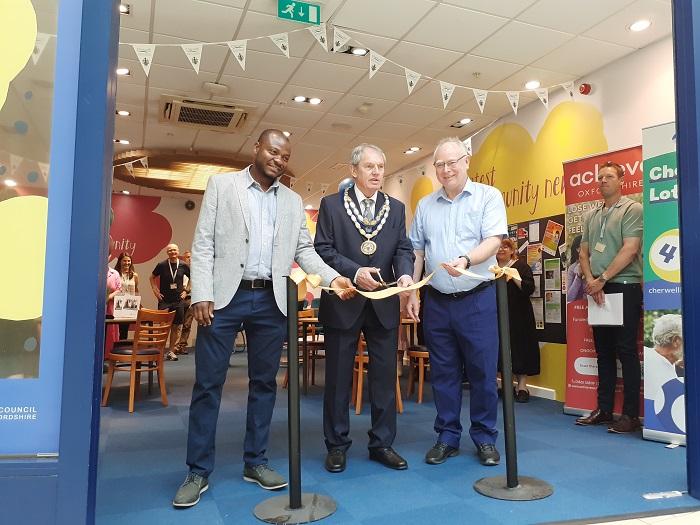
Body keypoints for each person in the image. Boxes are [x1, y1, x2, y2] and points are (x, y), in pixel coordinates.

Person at [172, 129, 354, 508]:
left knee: (264, 384)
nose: (279, 159)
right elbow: (203, 241)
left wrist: (335, 277)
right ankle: (197, 470)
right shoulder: (222, 186)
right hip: (224, 298)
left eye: (285, 156)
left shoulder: (290, 201)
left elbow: (304, 250)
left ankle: (255, 462)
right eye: (273, 151)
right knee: (208, 384)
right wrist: (201, 292)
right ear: (257, 148)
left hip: (271, 301)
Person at [406, 137, 507, 468]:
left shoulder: (488, 197)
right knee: (444, 373)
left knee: (481, 371)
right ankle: (447, 436)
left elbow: (494, 240)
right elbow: (417, 250)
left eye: (453, 162)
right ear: (435, 168)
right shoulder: (425, 206)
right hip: (437, 301)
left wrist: (465, 259)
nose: (447, 169)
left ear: (467, 161)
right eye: (440, 165)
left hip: (477, 299)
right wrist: (412, 291)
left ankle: (484, 437)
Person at [314, 143, 414, 473]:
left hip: (383, 303)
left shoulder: (396, 209)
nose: (376, 173)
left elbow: (403, 248)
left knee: (385, 378)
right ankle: (337, 445)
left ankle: (382, 443)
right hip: (344, 300)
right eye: (369, 167)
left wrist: (404, 275)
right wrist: (354, 272)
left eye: (381, 167)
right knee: (338, 379)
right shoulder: (331, 206)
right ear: (354, 170)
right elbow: (322, 250)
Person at [575, 160, 643, 434]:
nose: (602, 180)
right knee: (602, 351)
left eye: (609, 176)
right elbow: (583, 252)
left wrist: (602, 279)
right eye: (600, 176)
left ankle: (629, 416)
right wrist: (592, 281)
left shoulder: (632, 209)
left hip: (623, 285)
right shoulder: (591, 215)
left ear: (621, 180)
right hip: (597, 289)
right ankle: (604, 410)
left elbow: (630, 250)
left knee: (626, 350)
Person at [495, 238, 540, 402]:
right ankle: (502, 385)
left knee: (521, 349)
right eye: (499, 247)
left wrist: (512, 275)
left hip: (519, 316)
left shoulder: (521, 266)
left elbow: (529, 288)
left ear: (512, 250)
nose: (502, 249)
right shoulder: (491, 268)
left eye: (506, 247)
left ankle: (522, 387)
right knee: (498, 350)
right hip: (496, 316)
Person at [150, 243, 190, 361]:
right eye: (170, 250)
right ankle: (160, 350)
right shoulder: (161, 265)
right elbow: (151, 277)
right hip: (164, 301)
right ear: (167, 252)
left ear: (178, 251)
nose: (173, 252)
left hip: (178, 301)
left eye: (175, 250)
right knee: (163, 326)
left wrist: (186, 291)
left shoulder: (183, 265)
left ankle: (171, 351)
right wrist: (155, 290)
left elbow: (192, 278)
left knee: (176, 326)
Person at [114, 252, 139, 340]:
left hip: (130, 305)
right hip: (119, 304)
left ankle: (122, 349)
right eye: (124, 261)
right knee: (117, 329)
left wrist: (138, 303)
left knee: (125, 329)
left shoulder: (134, 275)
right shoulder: (115, 274)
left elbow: (136, 290)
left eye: (129, 261)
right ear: (120, 261)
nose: (127, 263)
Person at [175, 249, 194, 355]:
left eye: (191, 257)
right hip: (180, 298)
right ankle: (175, 346)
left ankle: (182, 346)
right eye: (187, 257)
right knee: (178, 323)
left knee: (187, 324)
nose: (189, 259)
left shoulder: (197, 271)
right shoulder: (179, 269)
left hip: (191, 298)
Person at [566, 235, 584, 302]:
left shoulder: (594, 264)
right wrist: (578, 277)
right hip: (578, 308)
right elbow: (569, 298)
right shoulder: (572, 268)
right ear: (578, 249)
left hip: (595, 306)